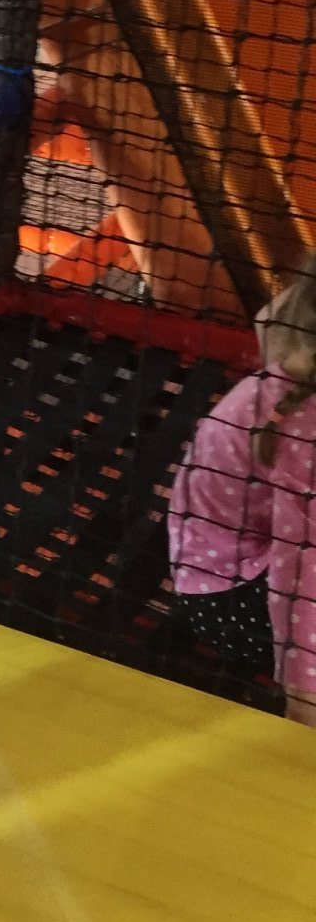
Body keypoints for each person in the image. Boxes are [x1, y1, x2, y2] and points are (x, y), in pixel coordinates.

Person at [167, 249, 316, 728]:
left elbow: (270, 315)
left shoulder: (299, 357)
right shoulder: (304, 428)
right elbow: (301, 574)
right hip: (225, 594)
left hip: (259, 551)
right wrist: (305, 699)